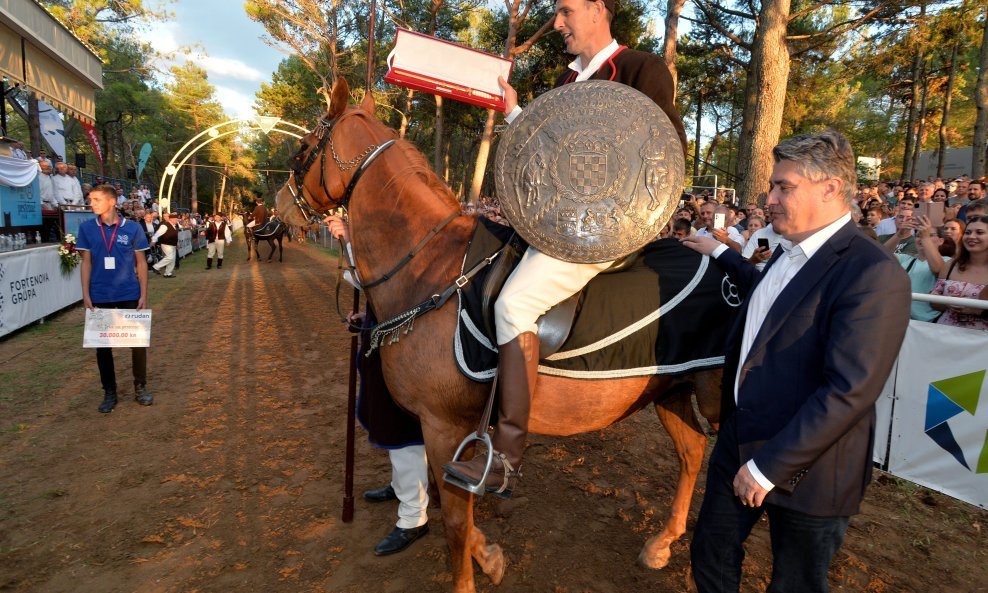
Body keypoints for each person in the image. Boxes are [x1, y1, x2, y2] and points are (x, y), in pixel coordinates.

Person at [443, 0, 687, 498]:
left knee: (515, 304)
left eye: (565, 11)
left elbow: (663, 154)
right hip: (556, 224)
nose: (556, 24)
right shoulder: (565, 84)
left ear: (599, 8)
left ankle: (506, 456)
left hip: (605, 229)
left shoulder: (644, 69)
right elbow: (546, 148)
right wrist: (513, 109)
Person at [681, 130, 911, 593]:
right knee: (710, 551)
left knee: (796, 582)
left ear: (830, 188)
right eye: (772, 186)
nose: (769, 199)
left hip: (815, 466)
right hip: (740, 439)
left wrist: (769, 467)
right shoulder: (787, 252)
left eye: (784, 187)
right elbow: (771, 312)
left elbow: (850, 389)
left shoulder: (872, 273)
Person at [324, 213, 431, 555]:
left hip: (404, 350)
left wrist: (350, 240)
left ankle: (414, 516)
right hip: (384, 337)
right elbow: (377, 289)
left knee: (402, 430)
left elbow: (383, 277)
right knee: (391, 428)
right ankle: (404, 488)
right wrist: (367, 317)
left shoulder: (412, 232)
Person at [75, 184, 153, 413]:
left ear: (111, 202)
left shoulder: (133, 228)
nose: (91, 204)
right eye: (90, 200)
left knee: (138, 344)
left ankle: (141, 387)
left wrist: (143, 294)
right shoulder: (87, 229)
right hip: (100, 294)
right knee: (103, 348)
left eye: (96, 200)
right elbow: (86, 263)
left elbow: (141, 263)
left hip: (129, 293)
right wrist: (86, 294)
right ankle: (109, 392)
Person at [930, 215, 988, 330]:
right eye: (968, 232)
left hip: (981, 342)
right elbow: (933, 302)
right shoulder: (950, 265)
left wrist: (977, 310)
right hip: (944, 334)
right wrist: (947, 303)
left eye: (980, 232)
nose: (971, 237)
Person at [150, 211, 180, 277]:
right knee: (170, 257)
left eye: (177, 219)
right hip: (166, 244)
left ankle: (168, 273)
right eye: (175, 219)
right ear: (171, 219)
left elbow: (175, 236)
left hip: (172, 244)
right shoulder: (164, 225)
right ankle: (155, 267)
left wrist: (177, 244)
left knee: (172, 259)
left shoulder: (174, 226)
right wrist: (153, 241)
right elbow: (157, 234)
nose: (177, 220)